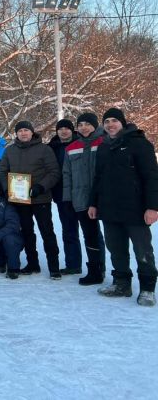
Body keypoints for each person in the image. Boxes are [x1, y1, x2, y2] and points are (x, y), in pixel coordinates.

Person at [89, 108, 158, 306]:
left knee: (142, 250)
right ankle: (121, 283)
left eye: (114, 121)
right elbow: (98, 178)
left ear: (123, 122)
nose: (110, 124)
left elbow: (152, 177)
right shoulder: (103, 147)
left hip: (135, 208)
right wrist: (93, 203)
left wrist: (153, 207)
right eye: (107, 121)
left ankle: (147, 288)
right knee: (116, 248)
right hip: (110, 208)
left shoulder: (139, 143)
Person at [0, 121, 62, 279]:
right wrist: (8, 189)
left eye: (26, 130)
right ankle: (32, 263)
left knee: (47, 232)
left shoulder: (44, 149)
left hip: (41, 198)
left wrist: (41, 187)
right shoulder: (9, 150)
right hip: (20, 199)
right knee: (27, 233)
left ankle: (54, 267)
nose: (23, 133)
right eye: (20, 131)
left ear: (32, 132)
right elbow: (2, 172)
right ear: (17, 134)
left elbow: (54, 172)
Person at [62, 112, 107, 285]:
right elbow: (67, 175)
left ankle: (116, 272)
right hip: (81, 198)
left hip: (104, 198)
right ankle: (95, 270)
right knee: (90, 235)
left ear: (95, 125)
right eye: (80, 125)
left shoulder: (105, 142)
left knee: (111, 236)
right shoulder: (71, 148)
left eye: (87, 124)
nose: (83, 127)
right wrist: (67, 199)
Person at [48, 119, 82, 275]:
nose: (63, 131)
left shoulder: (82, 143)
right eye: (60, 129)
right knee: (69, 230)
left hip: (82, 194)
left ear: (72, 130)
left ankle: (97, 267)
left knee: (92, 232)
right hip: (62, 194)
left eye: (67, 128)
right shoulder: (51, 148)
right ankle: (73, 264)